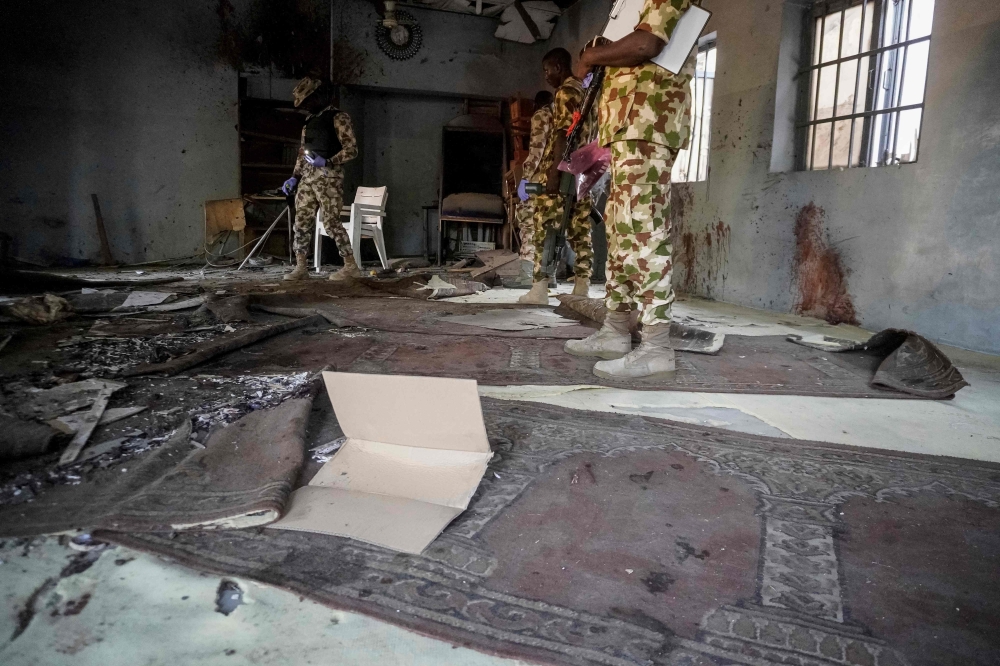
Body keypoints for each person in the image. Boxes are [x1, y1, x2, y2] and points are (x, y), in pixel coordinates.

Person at [564, 0, 698, 379]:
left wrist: (593, 56)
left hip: (649, 123)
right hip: (627, 128)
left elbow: (646, 44)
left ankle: (656, 347)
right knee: (621, 233)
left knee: (644, 234)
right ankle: (616, 330)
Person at [519, 48, 595, 305]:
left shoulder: (565, 92)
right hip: (585, 168)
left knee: (544, 228)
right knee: (580, 228)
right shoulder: (587, 92)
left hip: (563, 169)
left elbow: (563, 134)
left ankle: (539, 290)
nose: (546, 76)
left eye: (547, 70)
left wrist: (553, 174)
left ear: (558, 67)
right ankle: (582, 286)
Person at [282, 77, 360, 281]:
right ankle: (301, 267)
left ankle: (350, 266)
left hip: (329, 179)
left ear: (318, 96)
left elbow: (352, 150)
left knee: (331, 222)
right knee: (301, 221)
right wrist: (294, 177)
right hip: (307, 178)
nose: (306, 106)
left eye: (308, 101)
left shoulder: (339, 117)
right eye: (303, 103)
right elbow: (302, 152)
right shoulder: (309, 122)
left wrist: (328, 161)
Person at [515, 90, 554, 263]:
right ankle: (548, 273)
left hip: (540, 179)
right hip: (556, 178)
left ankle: (527, 272)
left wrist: (525, 177)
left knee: (528, 221)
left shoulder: (541, 115)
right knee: (549, 225)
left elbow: (536, 150)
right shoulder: (563, 117)